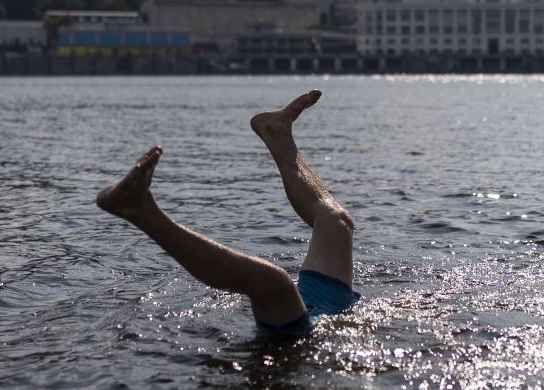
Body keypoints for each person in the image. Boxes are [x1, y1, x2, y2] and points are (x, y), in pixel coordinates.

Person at [96, 89, 358, 336]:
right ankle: (278, 135)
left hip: (298, 335)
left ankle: (139, 210)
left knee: (273, 283)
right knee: (336, 224)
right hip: (328, 313)